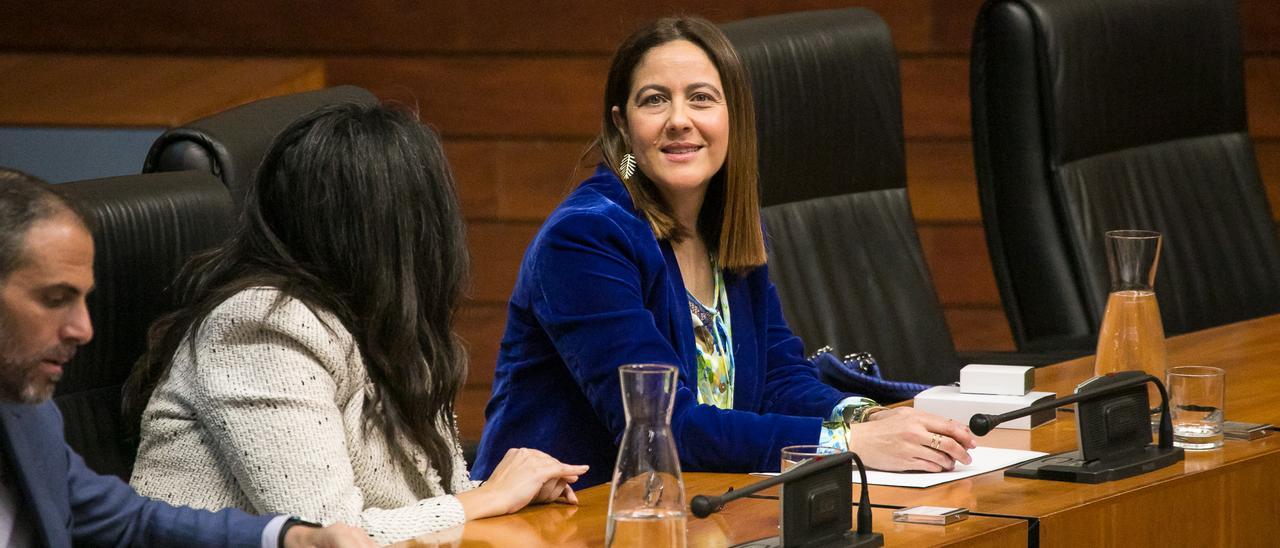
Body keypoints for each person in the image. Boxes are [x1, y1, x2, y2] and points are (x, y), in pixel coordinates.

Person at [472, 16, 977, 489]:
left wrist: (866, 415)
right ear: (622, 126)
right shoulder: (586, 239)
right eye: (653, 100)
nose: (678, 120)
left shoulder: (725, 226)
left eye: (701, 98)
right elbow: (663, 426)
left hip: (693, 508)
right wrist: (846, 444)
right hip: (565, 521)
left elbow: (778, 378)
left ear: (733, 115)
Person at [125, 103, 588, 545]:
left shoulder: (386, 322)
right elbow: (331, 533)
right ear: (399, 229)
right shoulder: (260, 327)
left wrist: (507, 490)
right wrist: (487, 499)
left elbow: (421, 498)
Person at [0, 169, 373, 548]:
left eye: (84, 299)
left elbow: (130, 522)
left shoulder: (26, 413)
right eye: (55, 299)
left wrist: (290, 537)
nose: (84, 329)